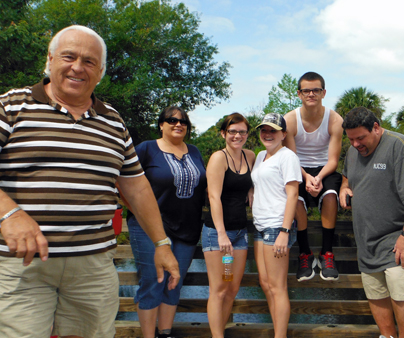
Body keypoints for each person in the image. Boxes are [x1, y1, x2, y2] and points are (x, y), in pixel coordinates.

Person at [0, 25, 179, 338]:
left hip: (93, 266)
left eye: (89, 61)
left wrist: (161, 243)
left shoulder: (113, 122)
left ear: (101, 72)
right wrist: (9, 213)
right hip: (22, 265)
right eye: (69, 57)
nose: (77, 67)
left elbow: (136, 187)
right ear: (51, 59)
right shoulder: (11, 106)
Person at [339, 107, 404, 338]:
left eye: (360, 138)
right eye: (350, 139)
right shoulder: (353, 151)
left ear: (377, 127)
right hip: (367, 238)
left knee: (401, 294)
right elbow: (347, 174)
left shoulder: (402, 148)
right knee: (376, 293)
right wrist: (344, 187)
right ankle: (387, 336)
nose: (355, 144)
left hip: (399, 237)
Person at [127, 106, 207, 338]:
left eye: (183, 121)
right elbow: (124, 182)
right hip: (150, 229)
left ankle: (165, 333)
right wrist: (138, 211)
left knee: (174, 282)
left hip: (188, 228)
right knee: (153, 281)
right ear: (161, 124)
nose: (178, 124)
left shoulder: (194, 151)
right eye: (171, 120)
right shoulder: (147, 149)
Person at [283, 71, 344, 282]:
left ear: (323, 93)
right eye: (306, 90)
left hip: (325, 169)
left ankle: (327, 253)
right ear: (299, 94)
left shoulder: (335, 119)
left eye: (316, 90)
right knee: (296, 199)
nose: (311, 94)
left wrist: (317, 178)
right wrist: (307, 177)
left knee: (329, 197)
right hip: (298, 168)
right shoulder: (289, 120)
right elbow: (291, 157)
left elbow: (334, 160)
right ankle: (305, 253)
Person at [203, 113, 255, 338]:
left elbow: (254, 182)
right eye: (232, 131)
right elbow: (213, 197)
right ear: (223, 133)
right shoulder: (218, 158)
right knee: (219, 289)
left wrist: (252, 192)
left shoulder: (250, 156)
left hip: (240, 233)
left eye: (242, 131)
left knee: (232, 288)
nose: (237, 135)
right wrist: (222, 234)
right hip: (218, 235)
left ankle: (220, 331)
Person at [252, 113, 302, 338]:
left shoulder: (287, 157)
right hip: (259, 226)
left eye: (273, 130)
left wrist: (284, 230)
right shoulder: (260, 155)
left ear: (283, 134)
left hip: (276, 226)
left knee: (278, 287)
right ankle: (276, 331)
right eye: (264, 129)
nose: (268, 134)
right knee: (266, 284)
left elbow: (293, 195)